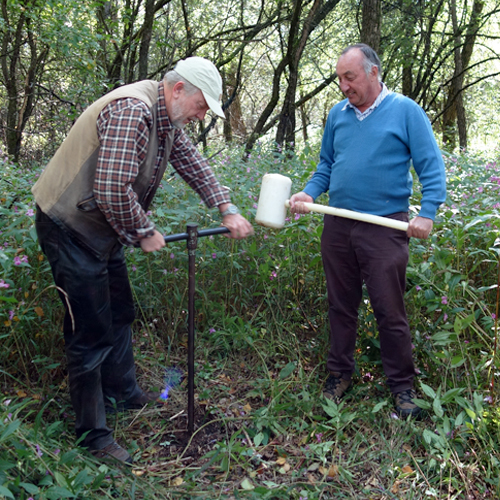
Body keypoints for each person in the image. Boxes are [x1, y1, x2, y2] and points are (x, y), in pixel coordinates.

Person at [32, 57, 254, 463]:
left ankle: (123, 393)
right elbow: (112, 189)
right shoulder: (133, 110)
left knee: (120, 311)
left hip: (103, 228)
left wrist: (225, 207)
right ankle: (93, 438)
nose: (202, 115)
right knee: (90, 331)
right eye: (202, 105)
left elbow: (193, 164)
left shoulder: (165, 119)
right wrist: (143, 231)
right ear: (177, 89)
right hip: (69, 224)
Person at [289, 44, 446, 418]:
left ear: (374, 72)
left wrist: (427, 213)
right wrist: (308, 192)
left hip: (384, 226)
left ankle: (403, 387)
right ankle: (339, 374)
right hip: (337, 225)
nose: (344, 86)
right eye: (339, 79)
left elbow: (431, 166)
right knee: (340, 305)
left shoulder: (406, 111)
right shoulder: (337, 116)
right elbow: (326, 164)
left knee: (389, 310)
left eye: (350, 77)